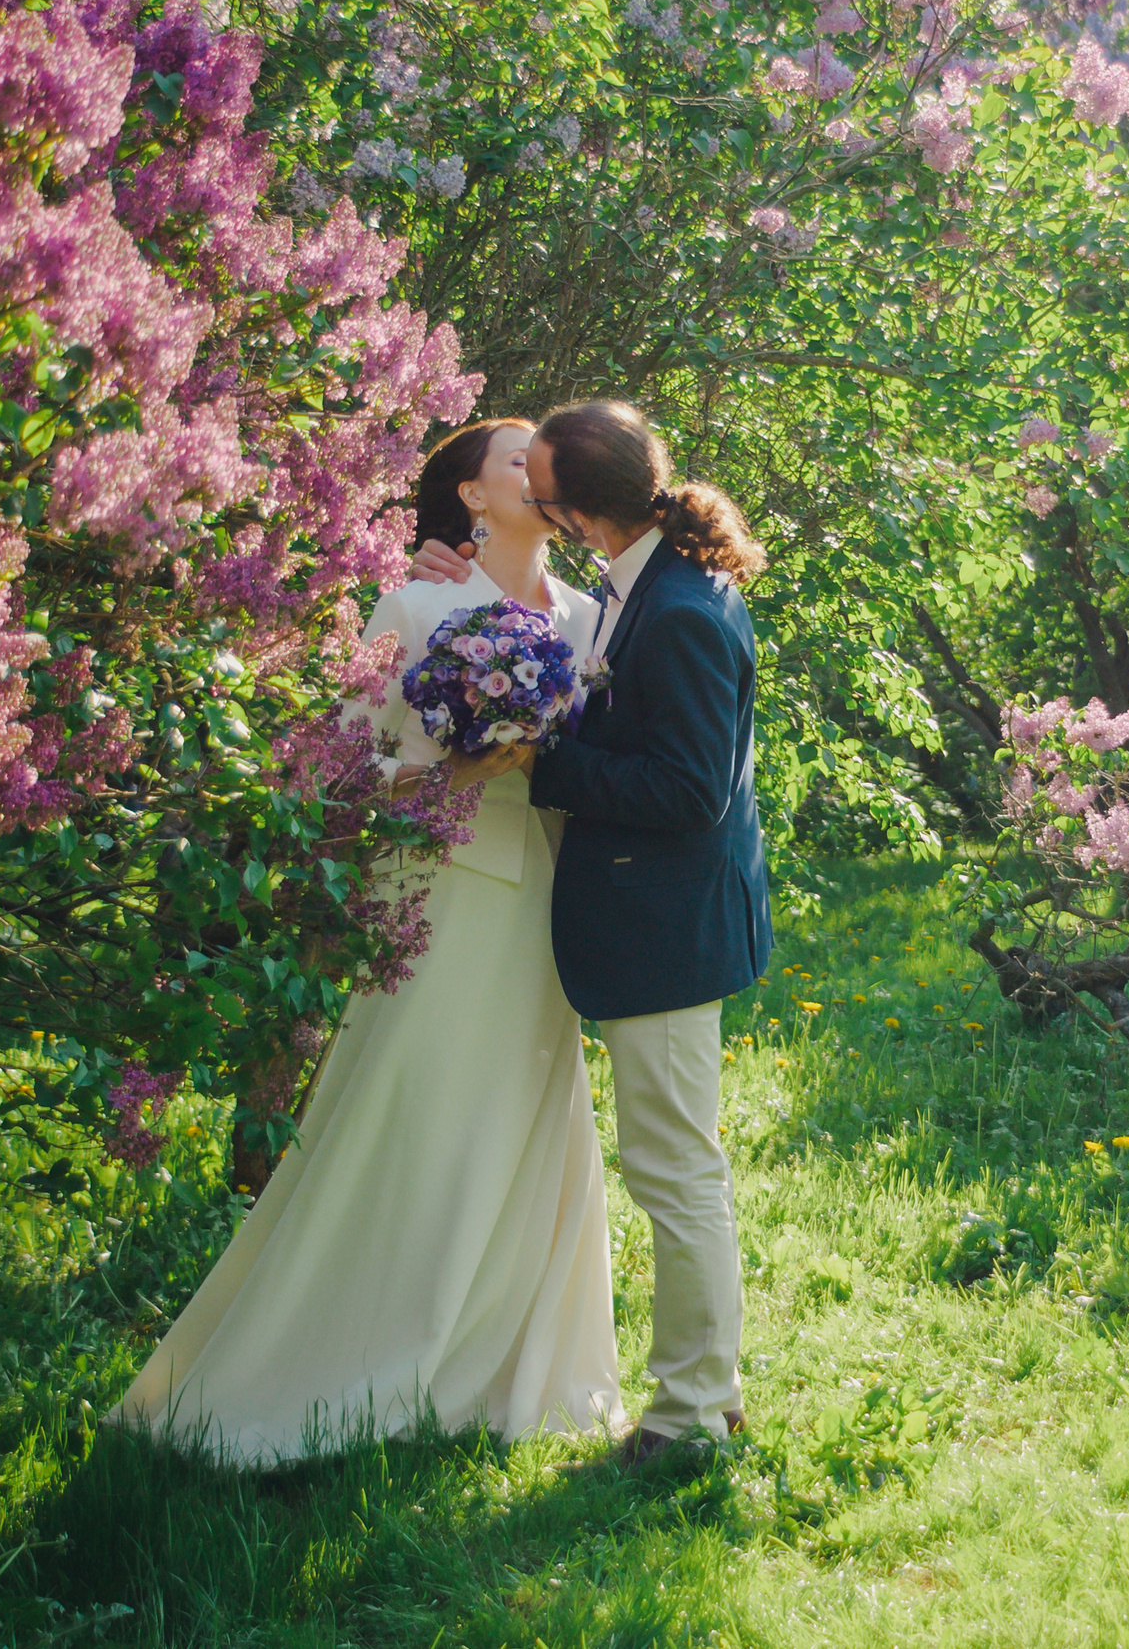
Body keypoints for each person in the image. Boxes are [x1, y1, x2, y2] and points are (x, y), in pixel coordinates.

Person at [108, 418, 625, 1464]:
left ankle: (494, 1367)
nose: (544, 470)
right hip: (436, 894)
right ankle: (339, 1355)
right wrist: (453, 776)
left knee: (526, 1114)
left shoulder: (591, 617)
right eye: (518, 459)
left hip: (548, 904)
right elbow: (333, 776)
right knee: (411, 1111)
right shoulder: (416, 601)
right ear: (471, 499)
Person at [409, 399, 772, 1463]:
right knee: (675, 1161)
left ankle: (693, 1410)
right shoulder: (637, 585)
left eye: (543, 483)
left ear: (573, 511)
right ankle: (706, 1390)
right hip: (645, 912)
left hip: (667, 922)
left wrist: (542, 763)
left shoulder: (683, 610)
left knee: (674, 1168)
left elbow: (688, 789)